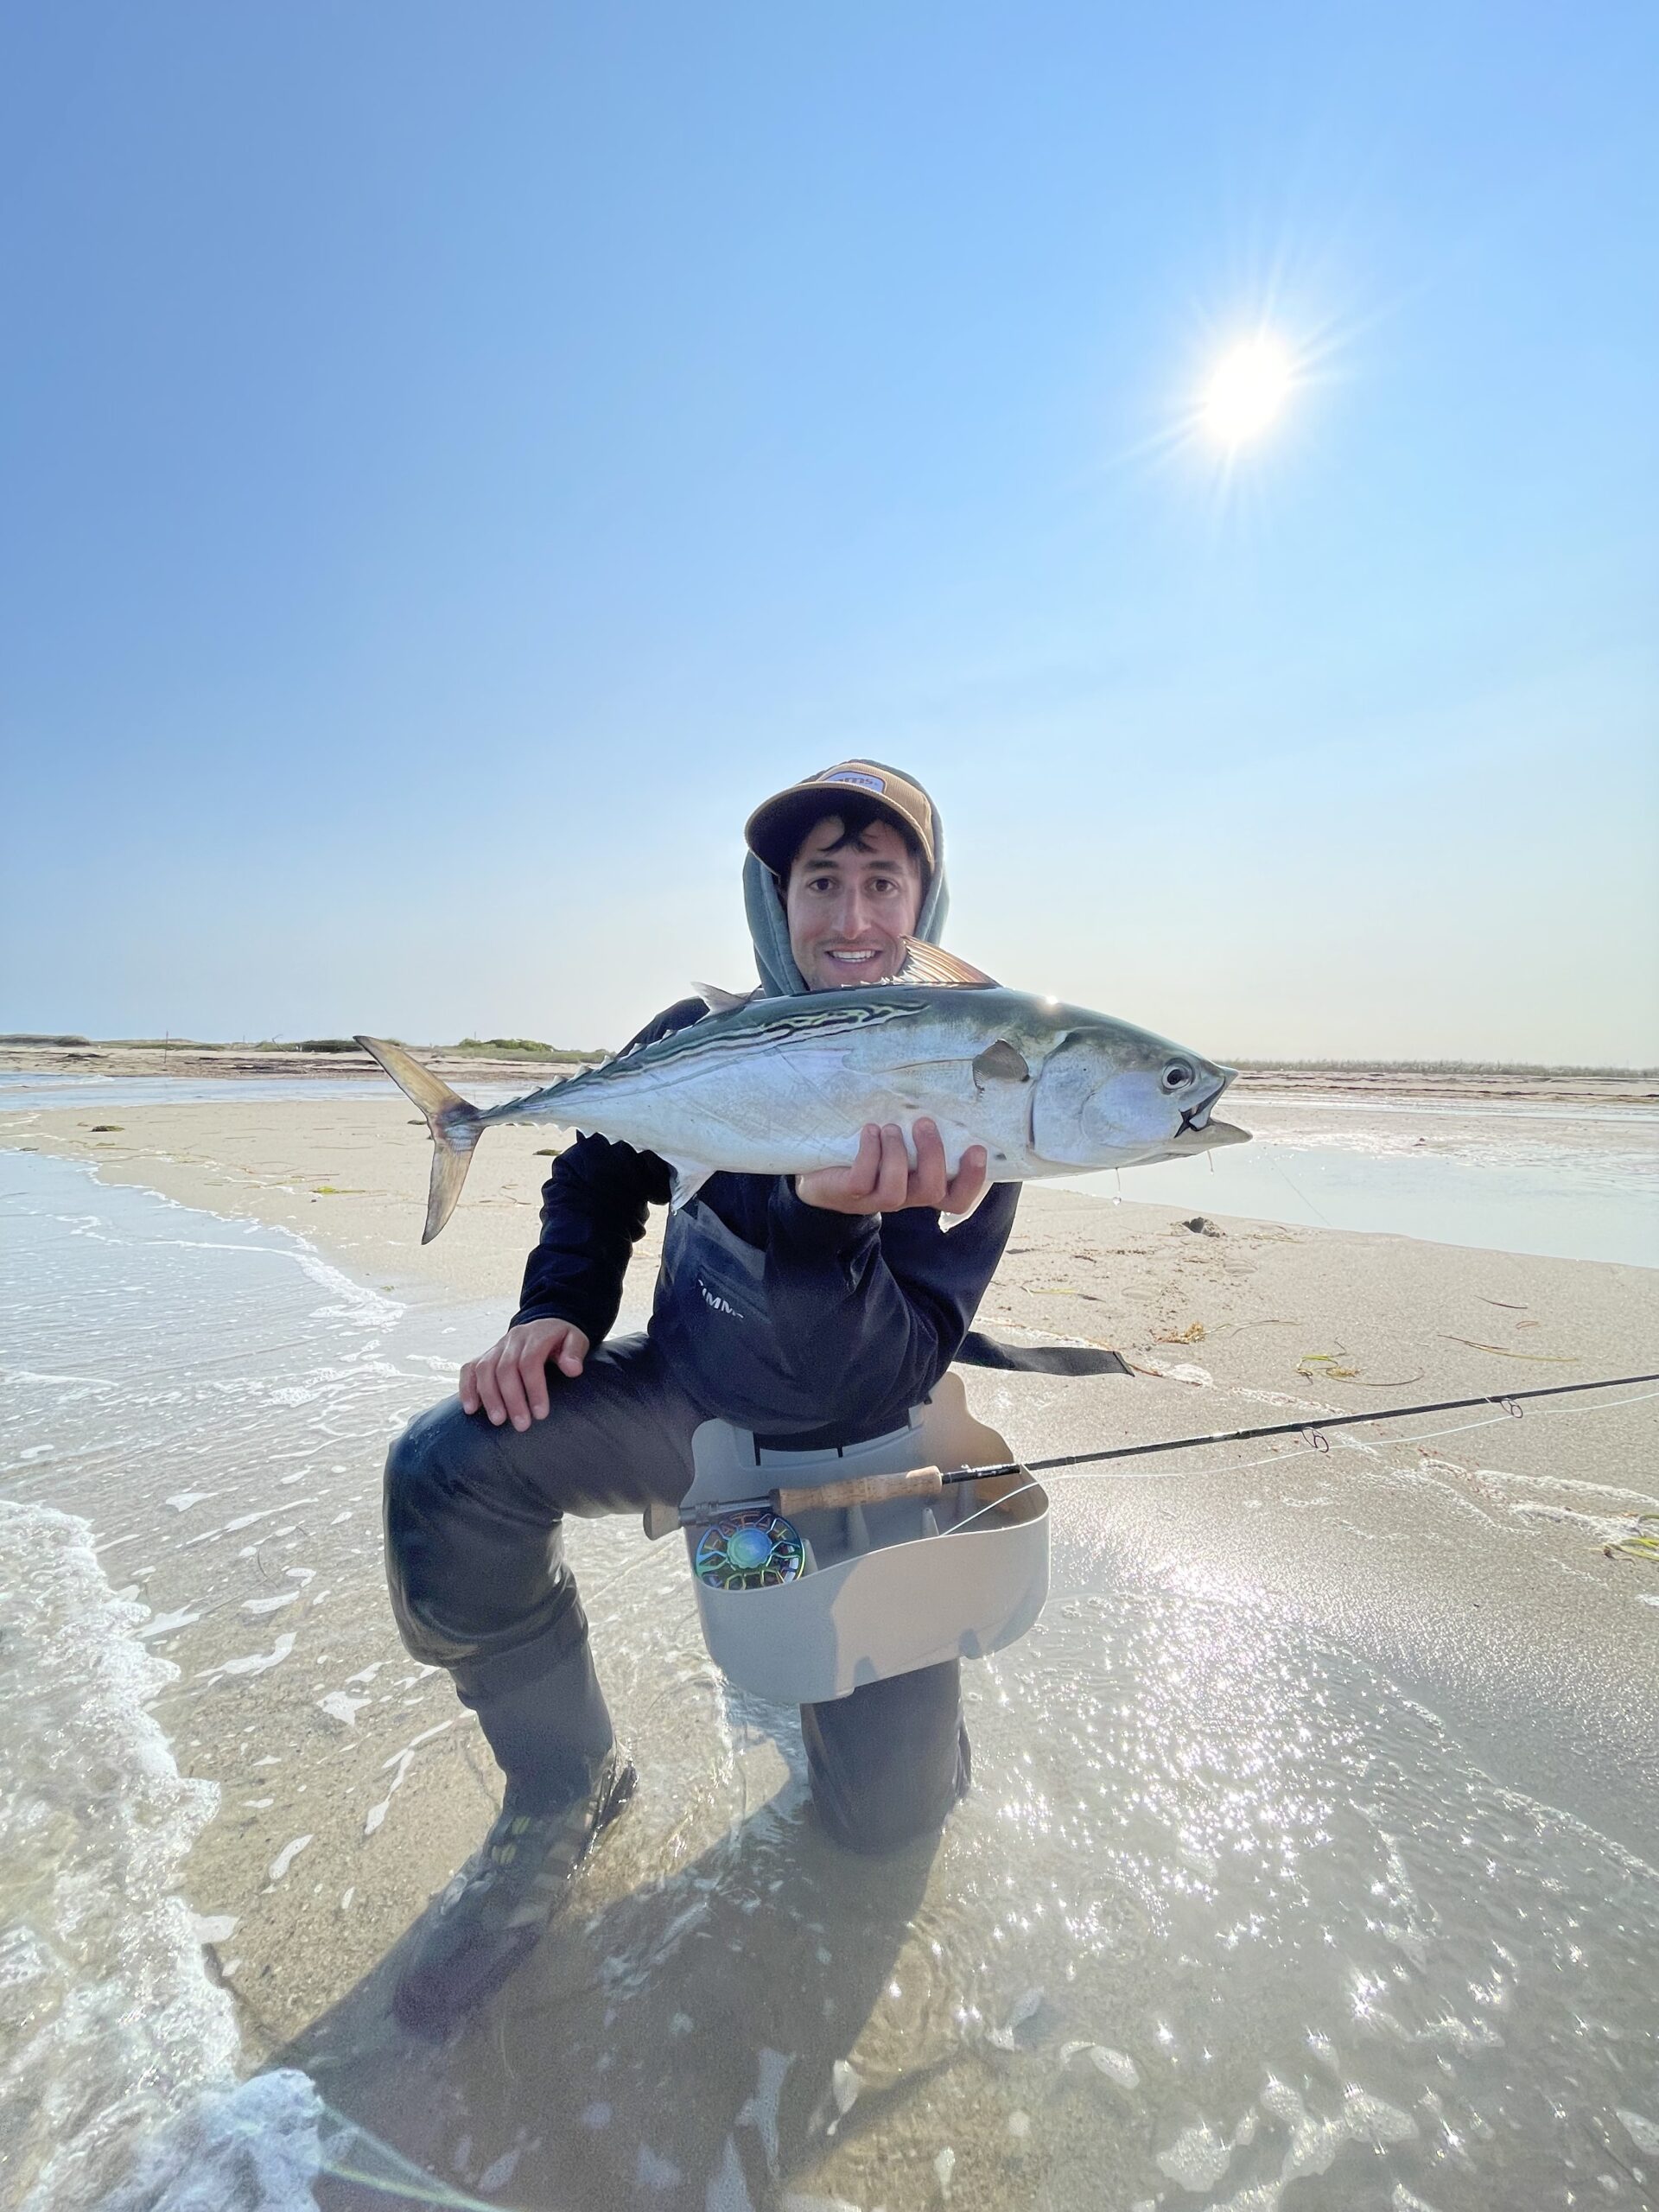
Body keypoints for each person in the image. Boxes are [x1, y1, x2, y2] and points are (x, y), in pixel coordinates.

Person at [383, 761, 1020, 2033]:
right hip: (688, 1405)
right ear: (773, 899)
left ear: (925, 902)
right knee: (446, 1469)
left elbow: (889, 1362)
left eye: (882, 883)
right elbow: (601, 1167)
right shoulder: (696, 1033)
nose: (850, 918)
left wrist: (822, 1226)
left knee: (882, 1825)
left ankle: (857, 1690)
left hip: (864, 1440)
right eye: (820, 883)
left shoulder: (981, 1073)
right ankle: (563, 1788)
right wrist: (556, 1305)